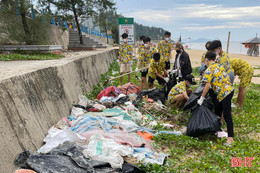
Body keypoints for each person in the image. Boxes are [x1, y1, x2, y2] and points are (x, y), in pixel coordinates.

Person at [198, 51, 234, 145]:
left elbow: (207, 85)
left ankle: (230, 138)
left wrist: (201, 98)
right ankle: (218, 130)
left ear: (206, 60)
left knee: (227, 115)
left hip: (224, 93)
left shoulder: (209, 69)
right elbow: (228, 78)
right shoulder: (219, 66)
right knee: (217, 110)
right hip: (229, 90)